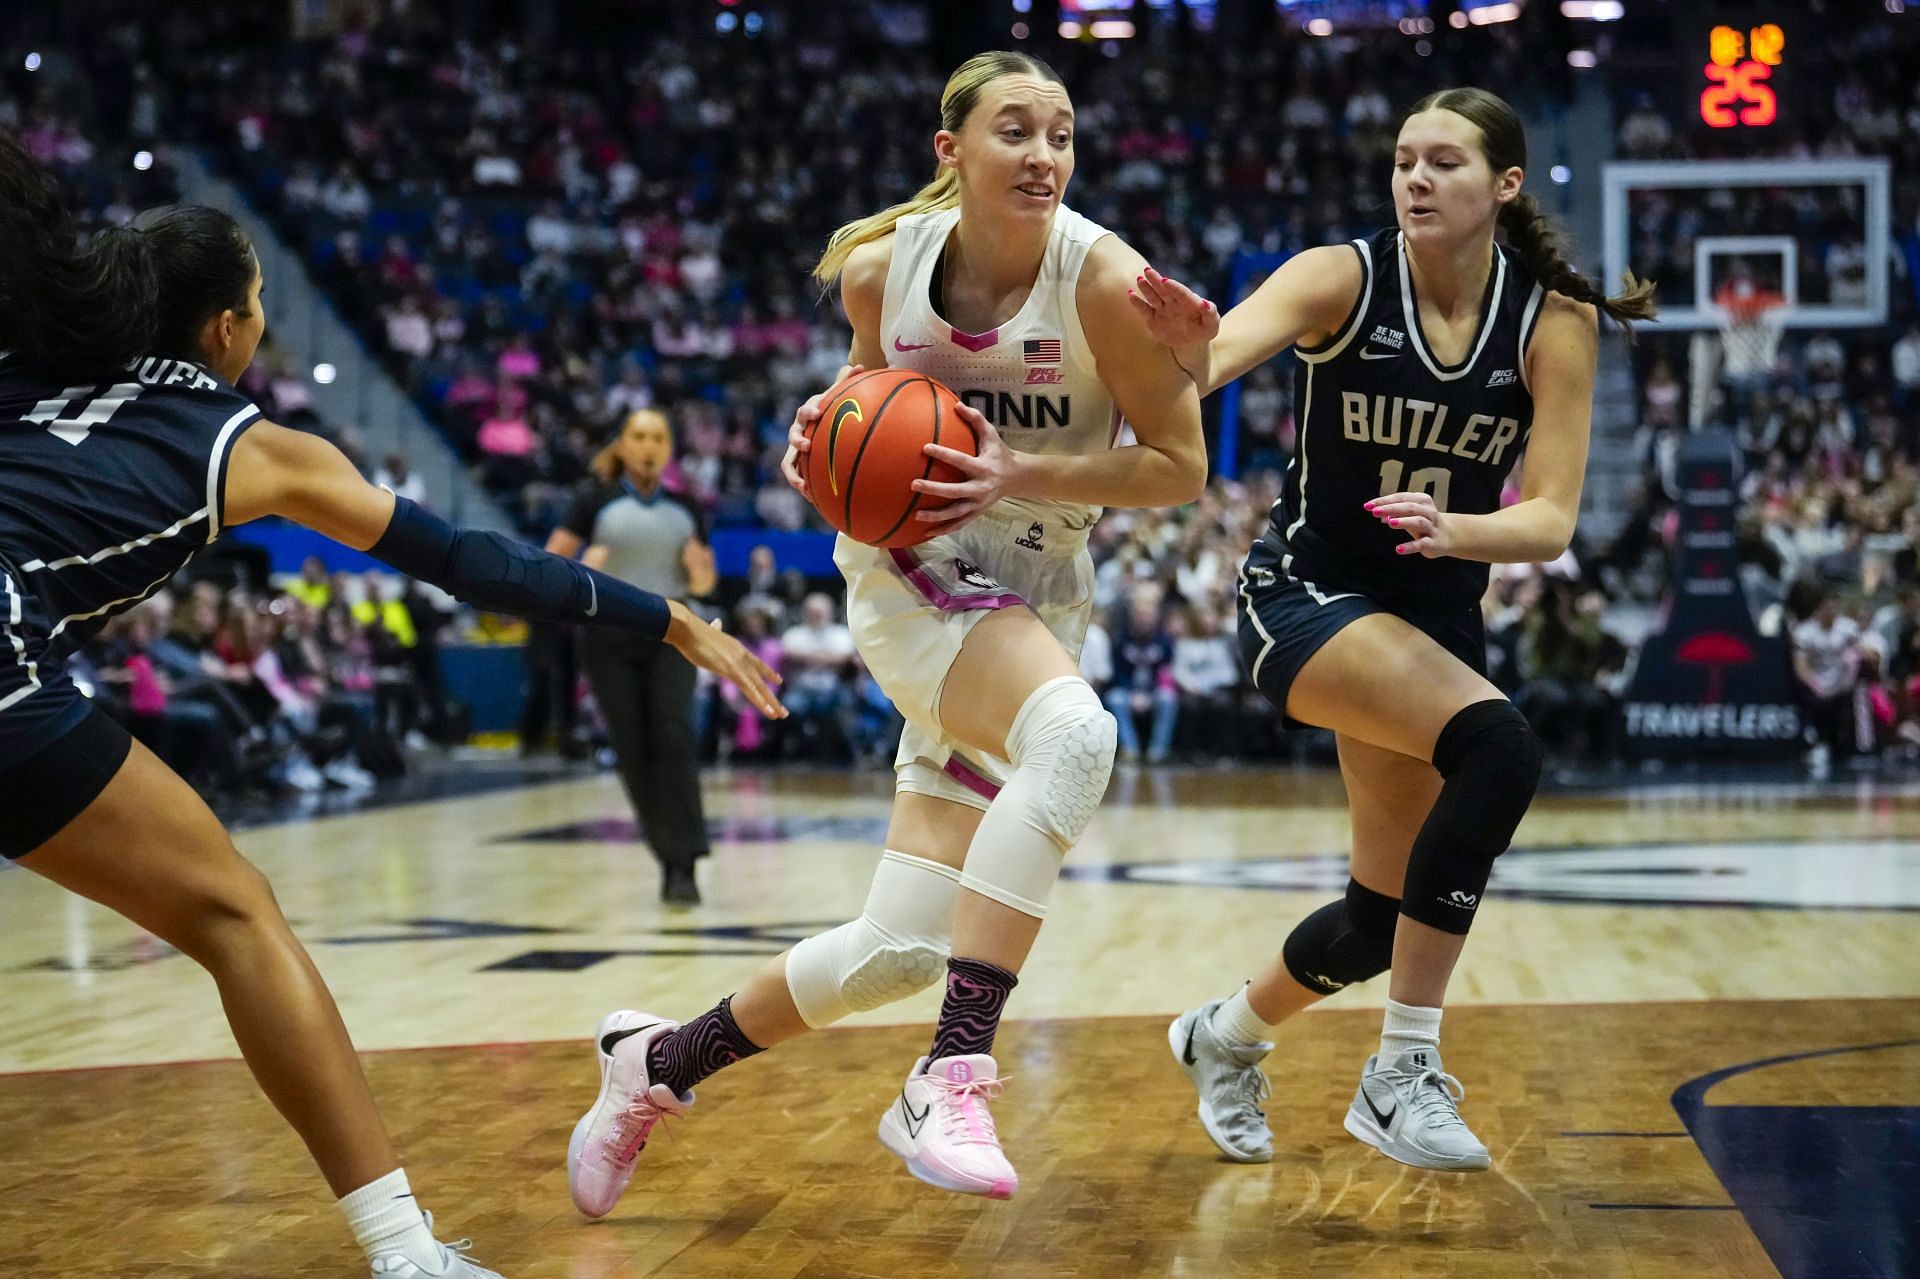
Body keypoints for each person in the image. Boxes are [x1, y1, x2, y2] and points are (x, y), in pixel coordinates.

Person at [0, 134, 783, 1279]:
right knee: (235, 915)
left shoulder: (23, 372)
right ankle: (406, 1253)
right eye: (262, 302)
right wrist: (663, 616)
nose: (263, 320)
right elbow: (474, 559)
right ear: (226, 331)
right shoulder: (250, 446)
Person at [565, 49, 1204, 1209]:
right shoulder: (880, 272)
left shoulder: (1106, 281)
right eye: (1016, 131)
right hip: (914, 576)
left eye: (1061, 133)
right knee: (1074, 738)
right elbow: (864, 416)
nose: (1046, 155)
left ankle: (652, 1064)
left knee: (901, 943)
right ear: (950, 151)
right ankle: (951, 1073)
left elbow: (1183, 467)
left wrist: (1027, 466)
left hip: (1040, 584)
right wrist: (821, 435)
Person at [1131, 87, 1653, 1172]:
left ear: (1506, 185)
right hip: (1304, 599)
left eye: (1445, 163)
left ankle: (1220, 1037)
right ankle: (1400, 1071)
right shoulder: (1341, 277)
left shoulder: (1551, 320)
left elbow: (1551, 517)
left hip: (1428, 622)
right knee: (1502, 745)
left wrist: (1458, 526)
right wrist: (1183, 355)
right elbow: (1207, 370)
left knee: (1379, 918)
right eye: (1405, 160)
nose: (1415, 178)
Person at [546, 409, 719, 905]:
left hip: (672, 636)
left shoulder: (687, 506)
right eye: (639, 436)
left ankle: (684, 862)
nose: (648, 446)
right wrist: (583, 568)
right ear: (622, 445)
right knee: (632, 748)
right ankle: (667, 856)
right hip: (607, 638)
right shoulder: (591, 501)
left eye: (658, 438)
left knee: (674, 735)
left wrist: (700, 573)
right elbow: (551, 566)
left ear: (668, 450)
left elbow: (704, 581)